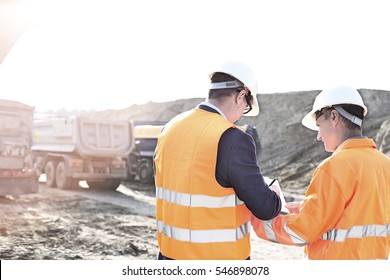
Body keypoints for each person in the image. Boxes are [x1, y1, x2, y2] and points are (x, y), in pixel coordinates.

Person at [153, 61, 282, 260]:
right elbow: (264, 208)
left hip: (169, 255)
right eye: (245, 108)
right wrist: (274, 194)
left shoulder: (170, 128)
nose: (240, 116)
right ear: (241, 96)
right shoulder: (232, 138)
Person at [251, 85, 390, 260]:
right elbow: (354, 213)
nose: (318, 136)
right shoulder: (384, 164)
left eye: (319, 126)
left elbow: (303, 231)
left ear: (333, 116)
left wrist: (259, 221)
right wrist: (298, 208)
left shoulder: (334, 167)